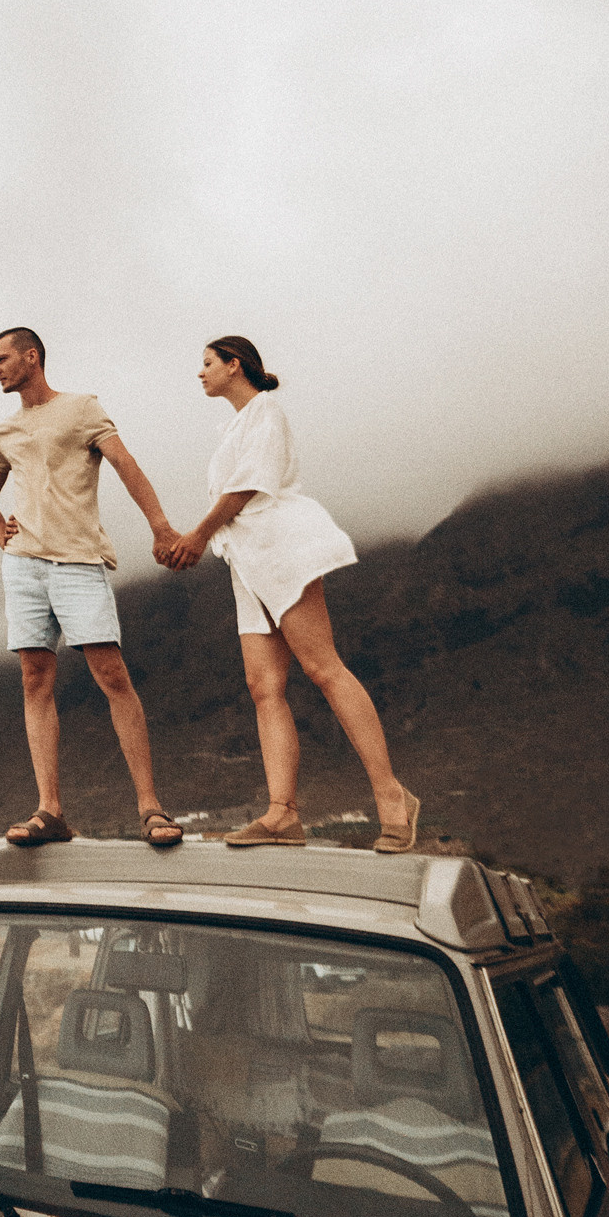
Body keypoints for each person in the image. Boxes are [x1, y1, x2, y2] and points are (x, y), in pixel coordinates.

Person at [157, 337, 419, 853]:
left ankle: (393, 798)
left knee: (323, 668)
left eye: (207, 364)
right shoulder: (232, 426)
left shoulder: (266, 411)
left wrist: (198, 535)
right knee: (264, 686)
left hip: (279, 548)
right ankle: (282, 814)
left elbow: (248, 487)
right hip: (247, 563)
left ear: (234, 365)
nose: (200, 373)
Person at [0, 326, 185, 850]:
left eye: (2, 358)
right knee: (34, 679)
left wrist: (161, 527)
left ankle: (150, 806)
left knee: (111, 673)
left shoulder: (82, 408)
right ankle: (50, 810)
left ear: (31, 357)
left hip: (77, 561)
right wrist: (1, 534)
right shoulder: (5, 431)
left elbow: (126, 465)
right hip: (24, 567)